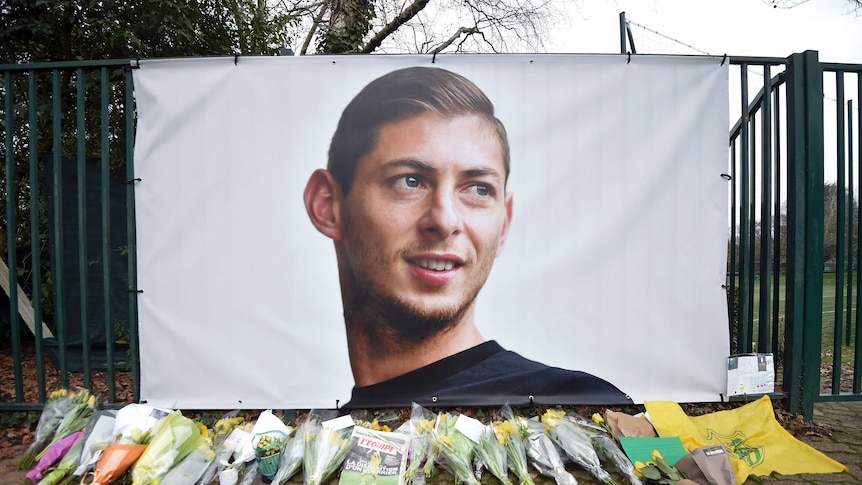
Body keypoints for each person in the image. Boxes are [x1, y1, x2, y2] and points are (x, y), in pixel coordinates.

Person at [303, 66, 630, 409]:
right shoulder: (314, 438)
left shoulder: (576, 407)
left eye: (478, 189)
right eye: (409, 181)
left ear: (504, 225)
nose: (445, 221)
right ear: (328, 206)